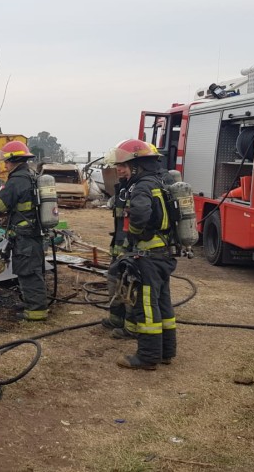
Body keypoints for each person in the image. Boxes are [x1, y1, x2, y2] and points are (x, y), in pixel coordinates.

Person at [104, 138, 177, 370]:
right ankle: (166, 352)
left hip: (148, 256)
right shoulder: (158, 182)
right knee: (163, 304)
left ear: (138, 165)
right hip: (163, 255)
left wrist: (134, 235)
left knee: (146, 306)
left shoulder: (142, 186)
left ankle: (147, 357)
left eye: (124, 165)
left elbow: (140, 213)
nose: (120, 170)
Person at [0, 141, 48, 321]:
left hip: (25, 235)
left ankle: (36, 311)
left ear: (14, 160)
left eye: (6, 161)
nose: (5, 165)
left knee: (28, 271)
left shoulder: (16, 181)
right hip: (33, 233)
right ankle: (32, 302)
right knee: (31, 269)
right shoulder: (31, 175)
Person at [101, 153, 131, 331]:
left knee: (127, 284)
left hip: (130, 247)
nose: (119, 169)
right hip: (119, 244)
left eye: (123, 165)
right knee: (114, 279)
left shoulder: (138, 188)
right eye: (117, 165)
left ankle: (128, 324)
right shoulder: (125, 187)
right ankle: (116, 319)